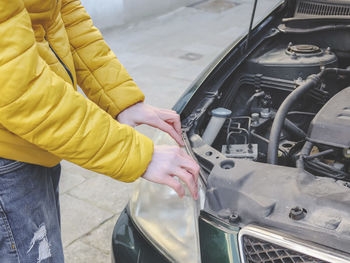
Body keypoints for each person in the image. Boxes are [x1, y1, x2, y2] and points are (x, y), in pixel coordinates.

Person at [0, 0, 199, 262]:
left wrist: (121, 99)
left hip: (38, 138)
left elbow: (64, 13)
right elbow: (18, 87)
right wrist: (134, 153)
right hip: (10, 155)